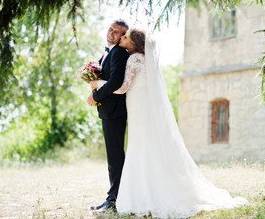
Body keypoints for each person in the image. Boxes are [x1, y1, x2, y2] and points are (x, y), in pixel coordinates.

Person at [90, 29, 248, 218]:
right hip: (142, 105)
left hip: (137, 106)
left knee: (139, 145)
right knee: (145, 144)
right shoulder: (145, 59)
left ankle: (141, 193)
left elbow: (123, 88)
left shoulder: (134, 59)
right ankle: (147, 188)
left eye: (126, 37)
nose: (122, 38)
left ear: (133, 43)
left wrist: (98, 84)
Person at [87, 20, 129, 213]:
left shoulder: (119, 53)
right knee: (113, 158)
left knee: (115, 158)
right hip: (109, 111)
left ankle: (114, 201)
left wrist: (95, 97)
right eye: (111, 29)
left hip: (115, 112)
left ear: (122, 36)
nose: (112, 33)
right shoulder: (109, 52)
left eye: (117, 32)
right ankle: (111, 198)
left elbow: (115, 82)